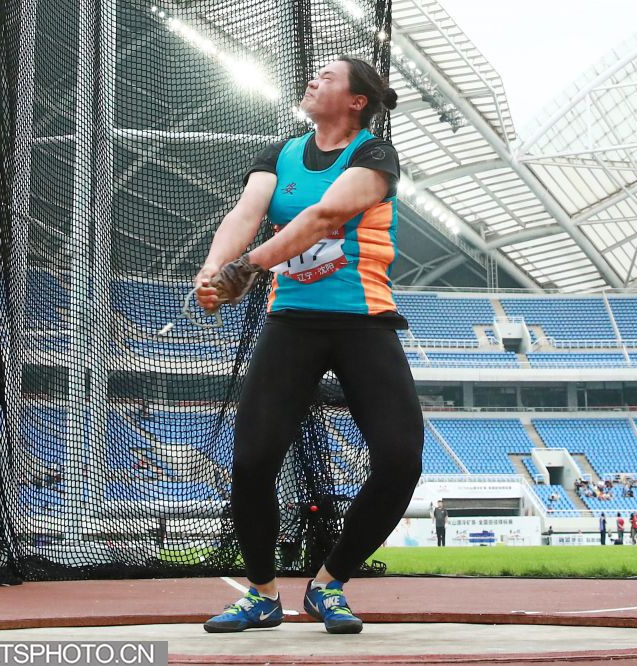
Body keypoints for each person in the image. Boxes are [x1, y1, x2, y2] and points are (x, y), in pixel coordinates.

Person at [198, 57, 415, 635]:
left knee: (400, 460)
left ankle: (329, 584)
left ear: (357, 101)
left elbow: (325, 216)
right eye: (314, 74)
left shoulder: (375, 154)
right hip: (291, 321)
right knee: (252, 462)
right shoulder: (281, 155)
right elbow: (246, 213)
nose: (313, 80)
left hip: (363, 321)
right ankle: (262, 594)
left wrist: (245, 269)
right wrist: (214, 268)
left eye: (328, 76)